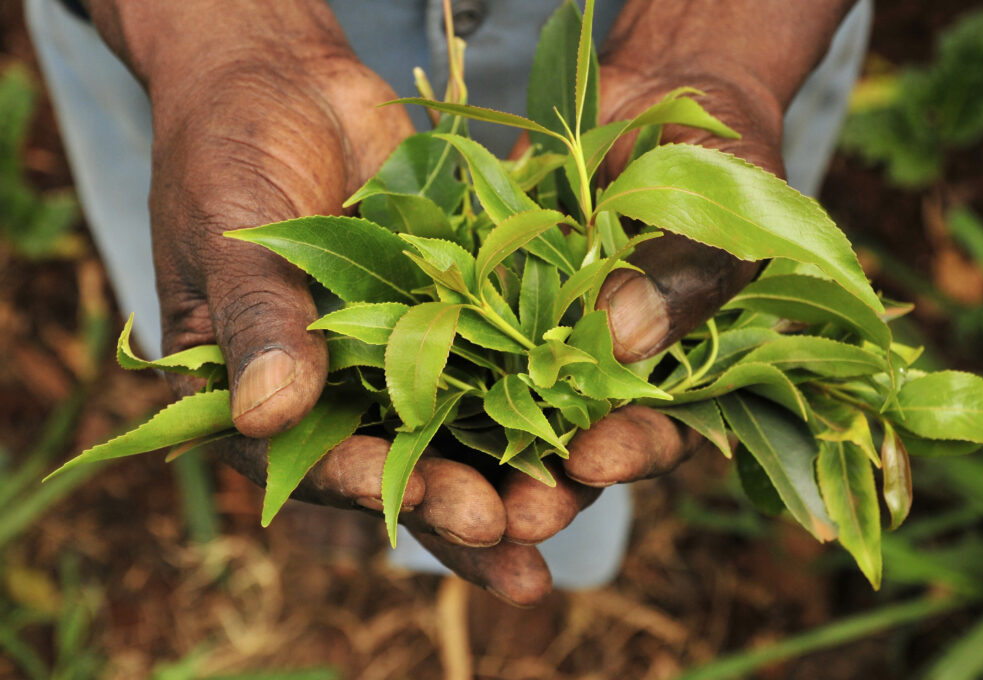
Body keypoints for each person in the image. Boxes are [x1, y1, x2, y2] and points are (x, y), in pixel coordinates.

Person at [26, 0, 872, 606]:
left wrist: (722, 34)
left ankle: (394, 491)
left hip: (666, 49)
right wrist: (210, 33)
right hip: (219, 51)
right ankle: (343, 479)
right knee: (245, 276)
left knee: (591, 412)